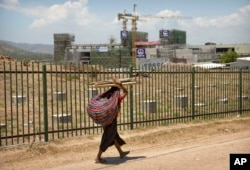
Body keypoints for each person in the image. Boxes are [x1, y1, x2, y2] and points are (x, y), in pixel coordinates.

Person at [95, 78, 130, 163]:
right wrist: (121, 85)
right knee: (107, 138)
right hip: (111, 121)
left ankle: (121, 153)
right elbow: (126, 92)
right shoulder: (117, 99)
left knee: (114, 137)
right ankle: (98, 157)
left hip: (106, 121)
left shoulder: (107, 98)